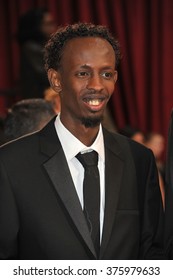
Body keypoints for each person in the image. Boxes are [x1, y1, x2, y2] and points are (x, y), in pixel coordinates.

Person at [0, 22, 164, 260]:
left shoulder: (139, 160)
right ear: (56, 80)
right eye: (83, 73)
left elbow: (153, 256)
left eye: (106, 74)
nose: (97, 85)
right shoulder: (10, 164)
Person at [17, 7, 56, 99]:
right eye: (48, 24)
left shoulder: (46, 44)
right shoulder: (31, 47)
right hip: (40, 101)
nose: (53, 27)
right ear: (36, 26)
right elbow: (47, 76)